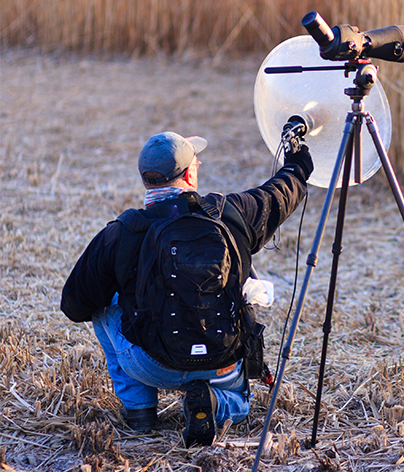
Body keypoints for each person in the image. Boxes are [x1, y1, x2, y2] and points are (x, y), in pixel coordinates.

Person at [61, 131, 312, 446]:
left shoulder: (122, 232)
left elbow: (75, 305)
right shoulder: (231, 213)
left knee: (102, 303)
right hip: (223, 364)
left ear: (146, 180)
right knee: (242, 401)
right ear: (191, 173)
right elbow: (280, 193)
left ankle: (140, 412)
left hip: (154, 366)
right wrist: (298, 164)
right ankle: (216, 403)